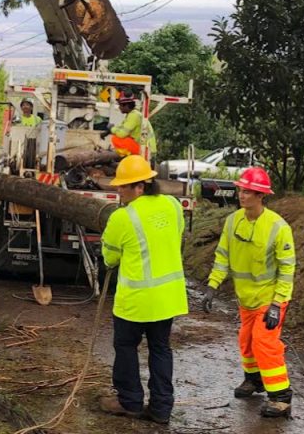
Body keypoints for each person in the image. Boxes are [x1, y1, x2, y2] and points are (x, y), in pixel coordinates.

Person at [200, 167, 296, 418]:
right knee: (247, 341)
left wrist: (277, 304)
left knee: (265, 343)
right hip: (246, 298)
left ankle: (281, 397)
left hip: (269, 298)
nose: (242, 195)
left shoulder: (278, 227)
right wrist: (212, 286)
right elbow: (222, 257)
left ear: (261, 195)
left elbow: (287, 268)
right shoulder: (233, 222)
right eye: (241, 190)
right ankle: (254, 380)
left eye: (249, 191)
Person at [99, 155, 188, 425]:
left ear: (140, 186)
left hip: (136, 302)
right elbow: (177, 234)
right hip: (168, 299)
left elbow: (109, 258)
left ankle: (130, 401)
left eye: (123, 186)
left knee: (126, 347)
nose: (118, 190)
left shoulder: (122, 218)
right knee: (161, 349)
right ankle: (161, 408)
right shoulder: (172, 206)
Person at [101, 89, 157, 163]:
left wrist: (111, 129)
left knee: (116, 139)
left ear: (127, 105)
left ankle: (127, 156)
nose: (119, 107)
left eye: (120, 105)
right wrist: (110, 131)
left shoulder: (133, 116)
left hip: (145, 149)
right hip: (146, 147)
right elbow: (121, 127)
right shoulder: (133, 114)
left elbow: (122, 134)